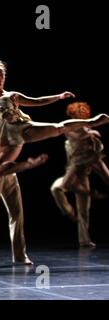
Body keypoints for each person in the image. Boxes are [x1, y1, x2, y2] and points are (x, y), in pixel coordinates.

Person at [0, 61, 109, 178]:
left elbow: (37, 101)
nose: (0, 78)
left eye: (2, 75)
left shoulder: (12, 96)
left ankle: (92, 121)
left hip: (23, 127)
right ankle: (30, 164)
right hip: (9, 139)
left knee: (58, 128)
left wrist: (58, 96)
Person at [50, 101, 109, 248]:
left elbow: (93, 133)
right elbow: (77, 135)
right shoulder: (70, 128)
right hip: (76, 165)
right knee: (58, 187)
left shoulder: (86, 126)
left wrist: (91, 131)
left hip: (90, 161)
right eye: (77, 116)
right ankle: (69, 210)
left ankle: (84, 240)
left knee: (84, 209)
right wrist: (90, 132)